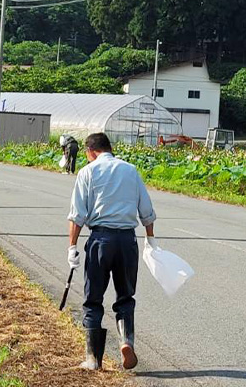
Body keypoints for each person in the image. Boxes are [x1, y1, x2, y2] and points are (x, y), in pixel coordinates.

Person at [66, 132, 156, 371]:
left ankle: (93, 358)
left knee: (93, 299)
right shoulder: (130, 170)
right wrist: (151, 241)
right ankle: (126, 342)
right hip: (127, 240)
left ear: (91, 151)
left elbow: (77, 215)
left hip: (101, 240)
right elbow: (146, 210)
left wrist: (72, 247)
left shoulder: (88, 172)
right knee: (125, 297)